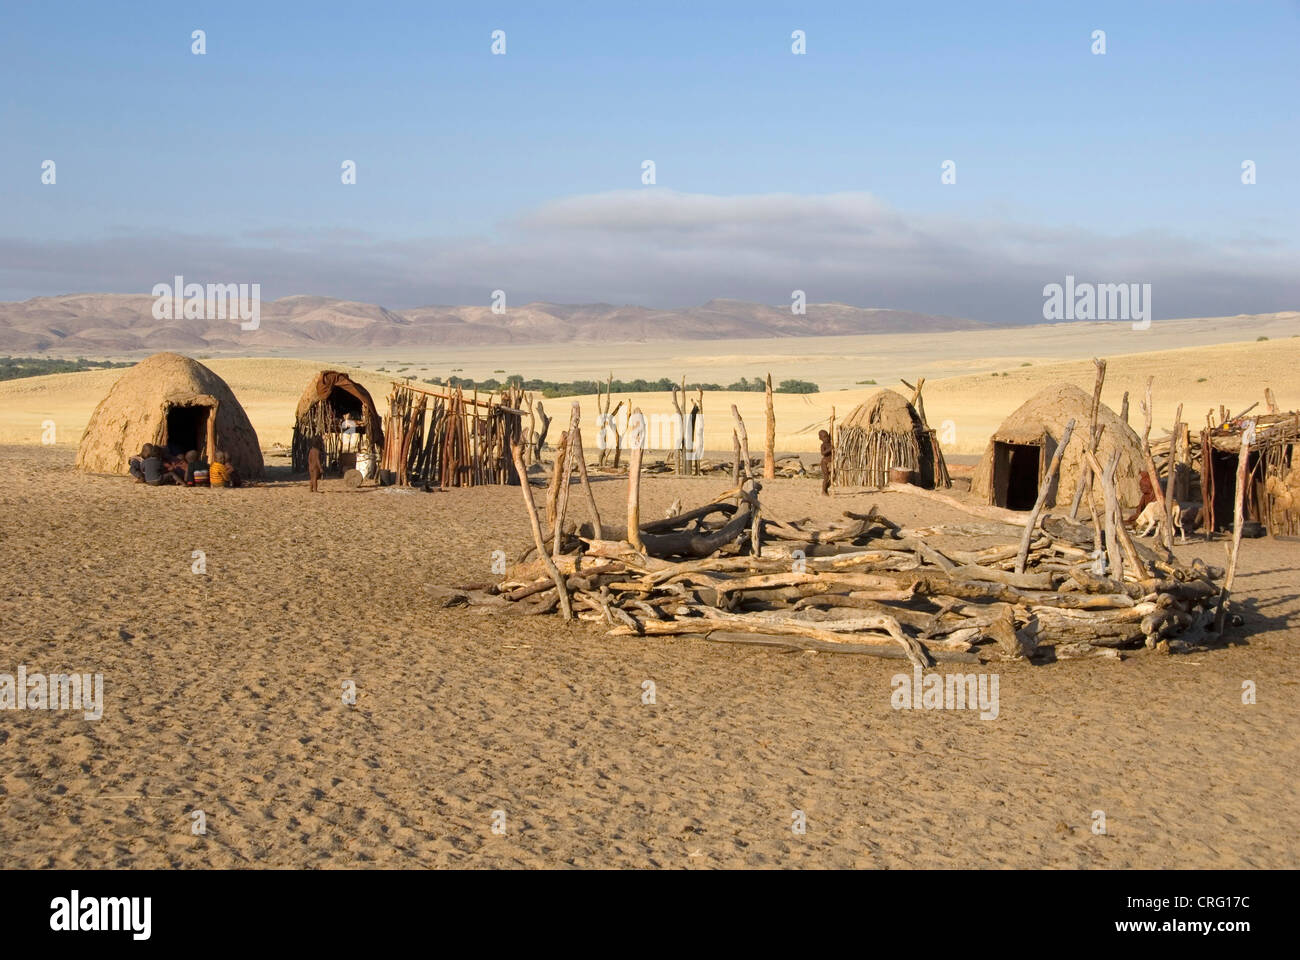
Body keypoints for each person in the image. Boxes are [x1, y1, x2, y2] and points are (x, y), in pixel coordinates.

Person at [819, 429, 834, 496]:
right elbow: (823, 453)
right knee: (826, 477)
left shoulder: (830, 443)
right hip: (824, 463)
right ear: (820, 438)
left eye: (827, 436)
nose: (826, 438)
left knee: (833, 477)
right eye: (824, 437)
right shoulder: (823, 445)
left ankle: (826, 489)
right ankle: (823, 491)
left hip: (831, 463)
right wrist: (829, 449)